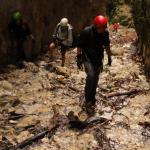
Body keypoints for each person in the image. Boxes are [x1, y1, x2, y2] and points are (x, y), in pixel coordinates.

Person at [76, 15, 112, 115]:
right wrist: (78, 58)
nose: (101, 29)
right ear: (95, 25)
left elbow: (107, 45)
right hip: (87, 58)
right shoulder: (86, 32)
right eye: (99, 27)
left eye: (103, 27)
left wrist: (109, 57)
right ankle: (87, 99)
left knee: (96, 78)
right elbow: (79, 45)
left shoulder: (105, 33)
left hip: (98, 59)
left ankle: (92, 97)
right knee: (91, 76)